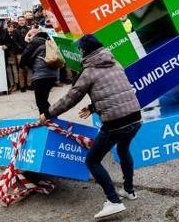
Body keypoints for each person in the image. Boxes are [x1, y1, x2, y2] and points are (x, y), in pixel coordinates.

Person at [40, 34, 142, 220]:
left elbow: (71, 98)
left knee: (92, 160)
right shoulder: (115, 63)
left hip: (116, 123)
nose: (79, 51)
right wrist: (93, 107)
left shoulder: (88, 71)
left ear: (86, 51)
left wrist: (47, 114)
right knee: (123, 148)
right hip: (135, 117)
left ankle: (113, 201)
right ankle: (129, 190)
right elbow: (116, 91)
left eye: (80, 49)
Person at [20, 30, 58, 116]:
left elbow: (27, 56)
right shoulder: (51, 45)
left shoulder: (35, 42)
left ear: (37, 36)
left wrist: (23, 66)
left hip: (40, 76)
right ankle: (49, 117)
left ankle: (48, 118)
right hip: (52, 76)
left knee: (40, 101)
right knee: (44, 99)